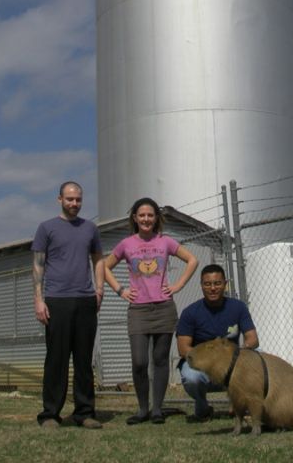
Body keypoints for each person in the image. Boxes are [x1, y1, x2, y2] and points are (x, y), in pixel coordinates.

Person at [104, 197, 198, 425]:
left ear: (156, 218)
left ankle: (157, 409)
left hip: (164, 308)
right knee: (139, 361)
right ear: (135, 218)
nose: (146, 219)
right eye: (142, 215)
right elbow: (104, 266)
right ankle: (142, 409)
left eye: (150, 215)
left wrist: (178, 285)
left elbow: (192, 260)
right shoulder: (127, 244)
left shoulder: (165, 242)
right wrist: (120, 290)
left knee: (160, 359)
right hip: (138, 310)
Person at [32, 181, 104, 429]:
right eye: (70, 199)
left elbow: (98, 260)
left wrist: (99, 288)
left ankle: (85, 413)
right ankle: (50, 414)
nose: (74, 203)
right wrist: (39, 299)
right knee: (56, 359)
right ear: (59, 199)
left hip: (85, 300)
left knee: (83, 360)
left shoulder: (90, 229)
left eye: (78, 199)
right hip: (56, 301)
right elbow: (38, 264)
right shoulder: (46, 228)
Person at [176, 263, 259, 421]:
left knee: (258, 359)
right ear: (201, 286)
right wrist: (210, 361)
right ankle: (202, 408)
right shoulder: (190, 312)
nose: (212, 288)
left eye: (217, 283)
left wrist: (235, 357)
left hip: (232, 363)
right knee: (191, 376)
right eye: (207, 284)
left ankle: (242, 404)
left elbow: (253, 340)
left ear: (225, 284)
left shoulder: (238, 307)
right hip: (203, 366)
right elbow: (183, 348)